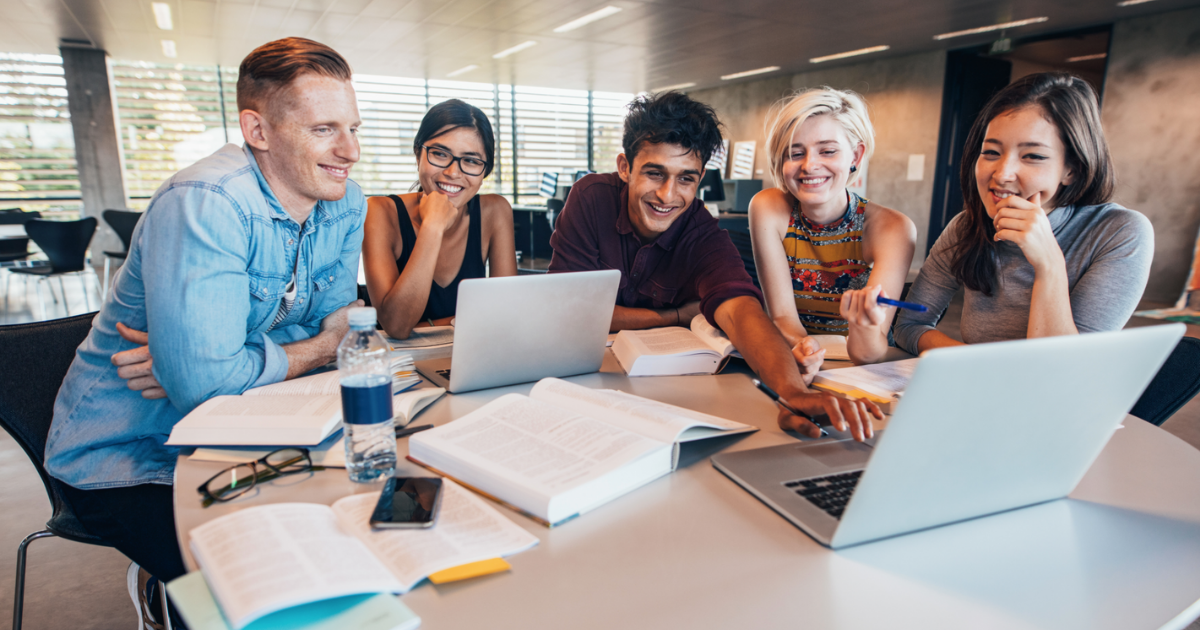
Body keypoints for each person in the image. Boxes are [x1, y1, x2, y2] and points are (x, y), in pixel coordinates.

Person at [43, 37, 366, 623]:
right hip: (130, 456)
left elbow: (345, 328)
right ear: (258, 131)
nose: (351, 151)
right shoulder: (206, 202)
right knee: (270, 590)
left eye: (353, 127)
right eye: (324, 130)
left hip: (253, 431)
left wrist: (218, 363)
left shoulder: (345, 202)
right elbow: (216, 383)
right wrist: (308, 348)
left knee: (353, 537)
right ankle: (165, 595)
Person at [548, 91, 881, 442]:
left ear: (700, 177)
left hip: (657, 392)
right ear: (625, 167)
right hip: (580, 382)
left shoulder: (700, 230)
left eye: (686, 179)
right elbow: (570, 310)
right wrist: (673, 316)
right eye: (654, 173)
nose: (667, 195)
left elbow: (740, 310)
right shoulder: (590, 198)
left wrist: (793, 392)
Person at [894, 72, 1153, 354]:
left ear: (1072, 168)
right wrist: (973, 366)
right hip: (980, 390)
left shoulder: (1120, 232)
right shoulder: (967, 226)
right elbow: (909, 326)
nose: (1003, 174)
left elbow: (1064, 368)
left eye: (1032, 156)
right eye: (991, 152)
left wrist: (1048, 264)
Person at [750, 87, 916, 370]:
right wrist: (805, 349)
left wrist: (861, 326)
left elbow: (871, 353)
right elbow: (783, 319)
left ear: (855, 156)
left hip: (863, 370)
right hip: (800, 360)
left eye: (827, 151)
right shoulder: (768, 208)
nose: (810, 165)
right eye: (795, 153)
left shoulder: (892, 228)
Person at [362, 99, 516, 339]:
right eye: (440, 154)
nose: (453, 173)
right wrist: (433, 226)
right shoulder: (380, 212)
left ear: (484, 171)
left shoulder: (494, 211)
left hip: (473, 356)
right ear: (417, 154)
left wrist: (425, 326)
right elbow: (397, 326)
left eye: (472, 161)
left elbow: (505, 315)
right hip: (403, 366)